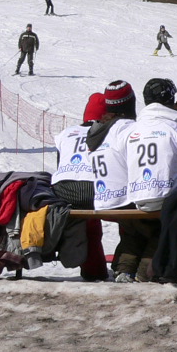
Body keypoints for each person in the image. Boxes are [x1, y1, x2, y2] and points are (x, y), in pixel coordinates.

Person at [118, 79, 177, 281]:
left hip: (137, 197)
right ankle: (148, 269)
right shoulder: (174, 126)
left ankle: (127, 267)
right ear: (169, 99)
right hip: (169, 198)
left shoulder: (131, 130)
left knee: (141, 226)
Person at [50, 92, 110, 281]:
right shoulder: (107, 132)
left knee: (84, 219)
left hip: (62, 189)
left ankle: (91, 266)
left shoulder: (66, 133)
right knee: (93, 222)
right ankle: (96, 269)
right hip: (92, 189)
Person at [85, 81, 140, 281]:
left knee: (135, 225)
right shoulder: (128, 129)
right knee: (155, 217)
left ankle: (124, 267)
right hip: (123, 201)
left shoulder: (99, 131)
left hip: (102, 199)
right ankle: (133, 268)